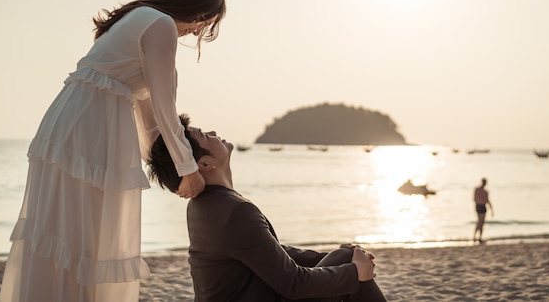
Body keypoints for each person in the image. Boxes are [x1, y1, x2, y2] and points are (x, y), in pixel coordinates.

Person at [0, 0, 226, 302]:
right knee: (85, 236)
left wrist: (171, 173)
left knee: (66, 234)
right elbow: (164, 105)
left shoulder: (138, 18)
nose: (197, 31)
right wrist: (188, 169)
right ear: (197, 9)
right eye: (204, 24)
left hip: (71, 122)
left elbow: (149, 122)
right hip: (92, 128)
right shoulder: (160, 24)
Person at [148, 114, 388, 302]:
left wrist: (336, 259)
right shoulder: (233, 211)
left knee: (345, 257)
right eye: (205, 135)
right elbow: (293, 285)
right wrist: (355, 272)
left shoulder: (206, 204)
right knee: (348, 265)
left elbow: (265, 251)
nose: (213, 132)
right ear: (205, 163)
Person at [473, 177, 494, 243]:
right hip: (481, 206)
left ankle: (477, 237)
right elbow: (487, 200)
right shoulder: (483, 191)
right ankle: (477, 237)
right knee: (480, 222)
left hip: (479, 206)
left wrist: (491, 209)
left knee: (480, 222)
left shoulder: (478, 190)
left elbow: (474, 199)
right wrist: (491, 209)